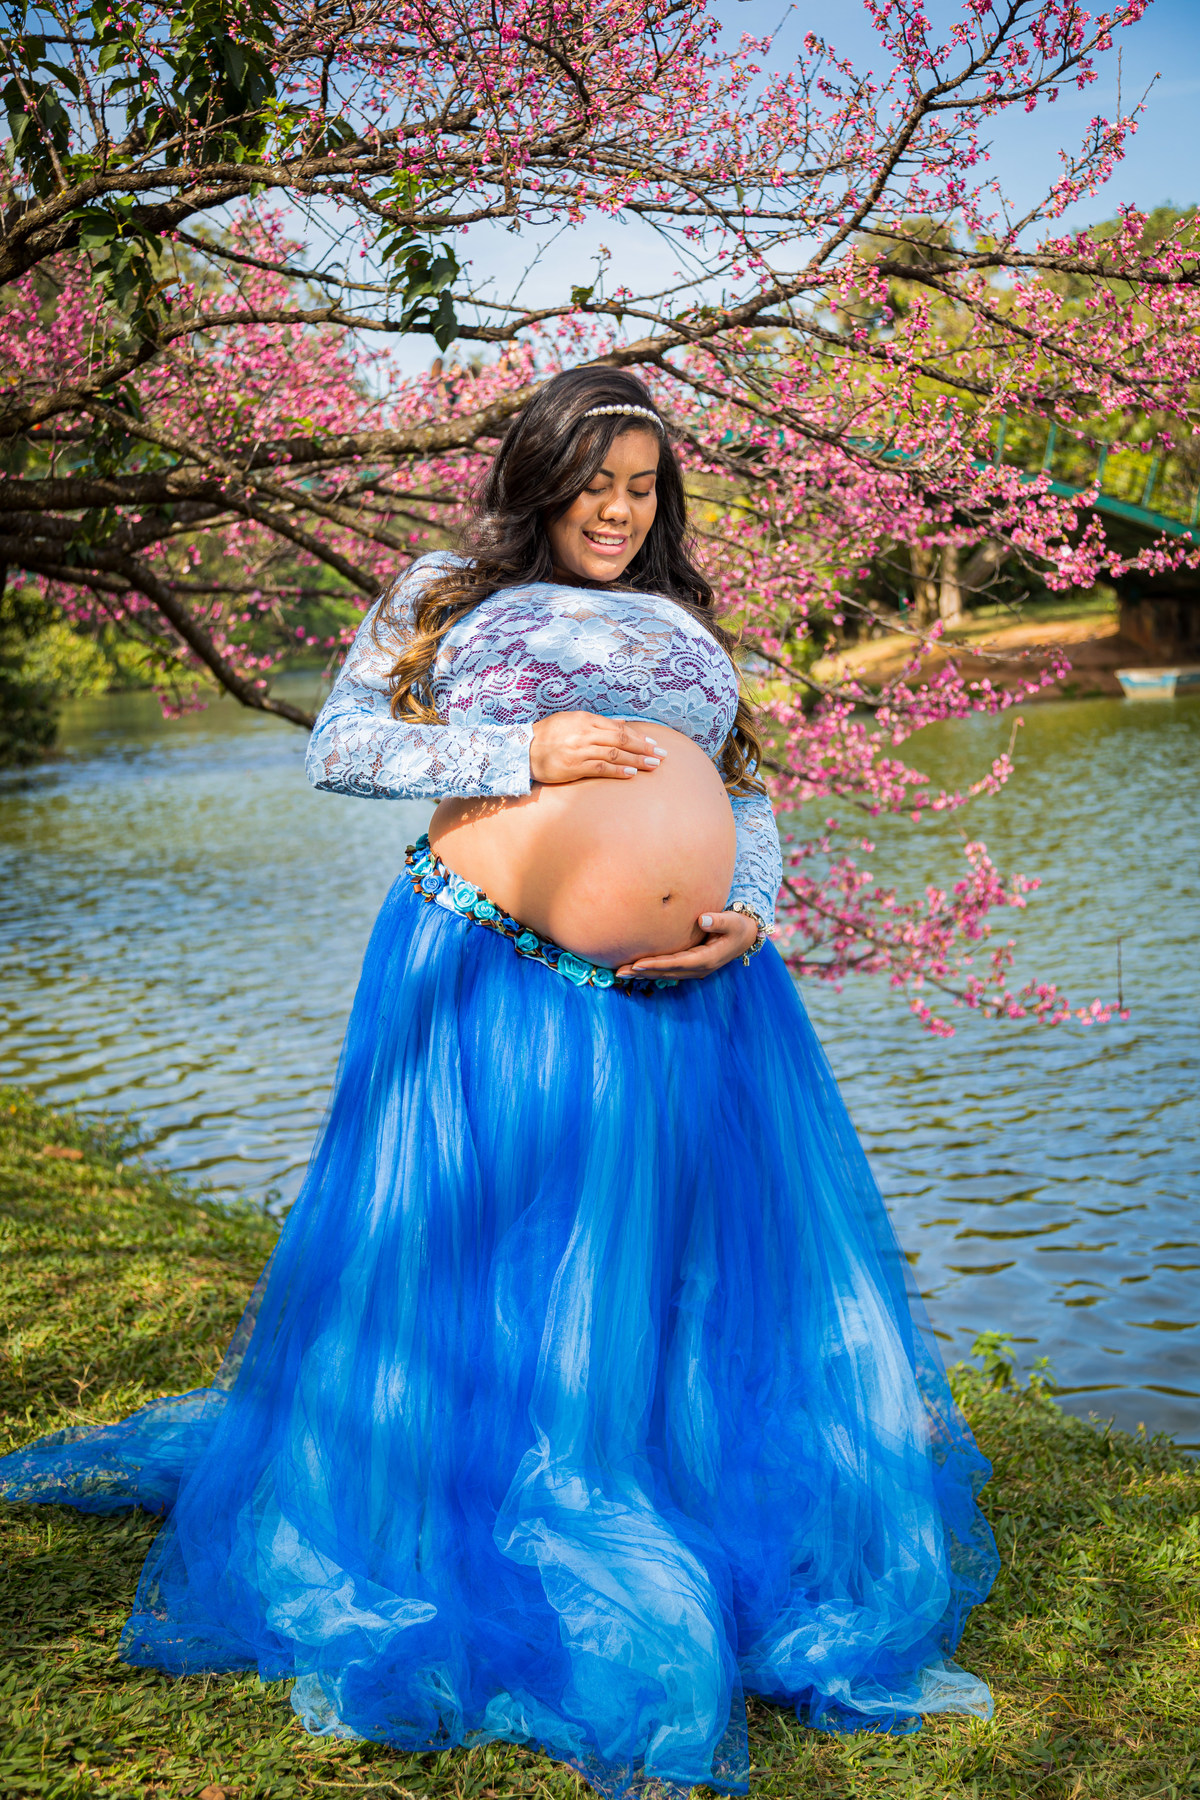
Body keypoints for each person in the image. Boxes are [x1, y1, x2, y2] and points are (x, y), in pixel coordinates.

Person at [0, 368, 998, 1798]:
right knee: (490, 1260)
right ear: (540, 476)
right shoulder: (438, 591)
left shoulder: (688, 620)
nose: (618, 507)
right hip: (486, 980)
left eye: (644, 485)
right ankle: (474, 1502)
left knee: (666, 1278)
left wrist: (748, 906)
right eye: (595, 478)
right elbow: (347, 749)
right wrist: (519, 750)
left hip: (691, 1003)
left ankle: (666, 1488)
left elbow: (750, 789)